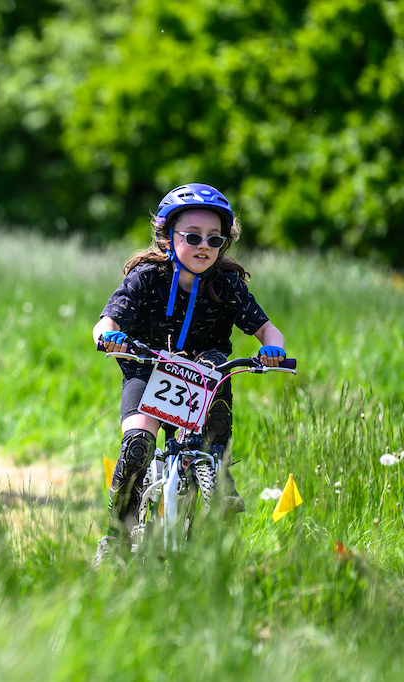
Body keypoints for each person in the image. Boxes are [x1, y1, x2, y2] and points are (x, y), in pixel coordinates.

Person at [91, 183, 286, 564]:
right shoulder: (148, 278)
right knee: (136, 447)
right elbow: (108, 319)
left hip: (204, 376)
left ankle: (215, 471)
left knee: (214, 401)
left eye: (215, 240)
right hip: (147, 370)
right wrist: (108, 336)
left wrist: (273, 348)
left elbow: (267, 328)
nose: (204, 246)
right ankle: (116, 538)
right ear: (167, 238)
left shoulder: (227, 285)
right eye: (193, 236)